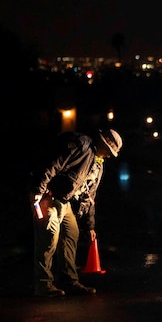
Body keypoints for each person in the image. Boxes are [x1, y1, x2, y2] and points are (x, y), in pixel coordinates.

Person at [30, 127, 123, 297]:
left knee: (71, 234)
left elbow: (90, 196)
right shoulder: (82, 146)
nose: (109, 155)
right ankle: (43, 285)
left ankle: (70, 282)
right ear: (103, 144)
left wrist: (90, 226)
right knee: (49, 237)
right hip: (48, 196)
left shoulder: (98, 166)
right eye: (109, 151)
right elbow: (55, 164)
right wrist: (39, 189)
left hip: (64, 203)